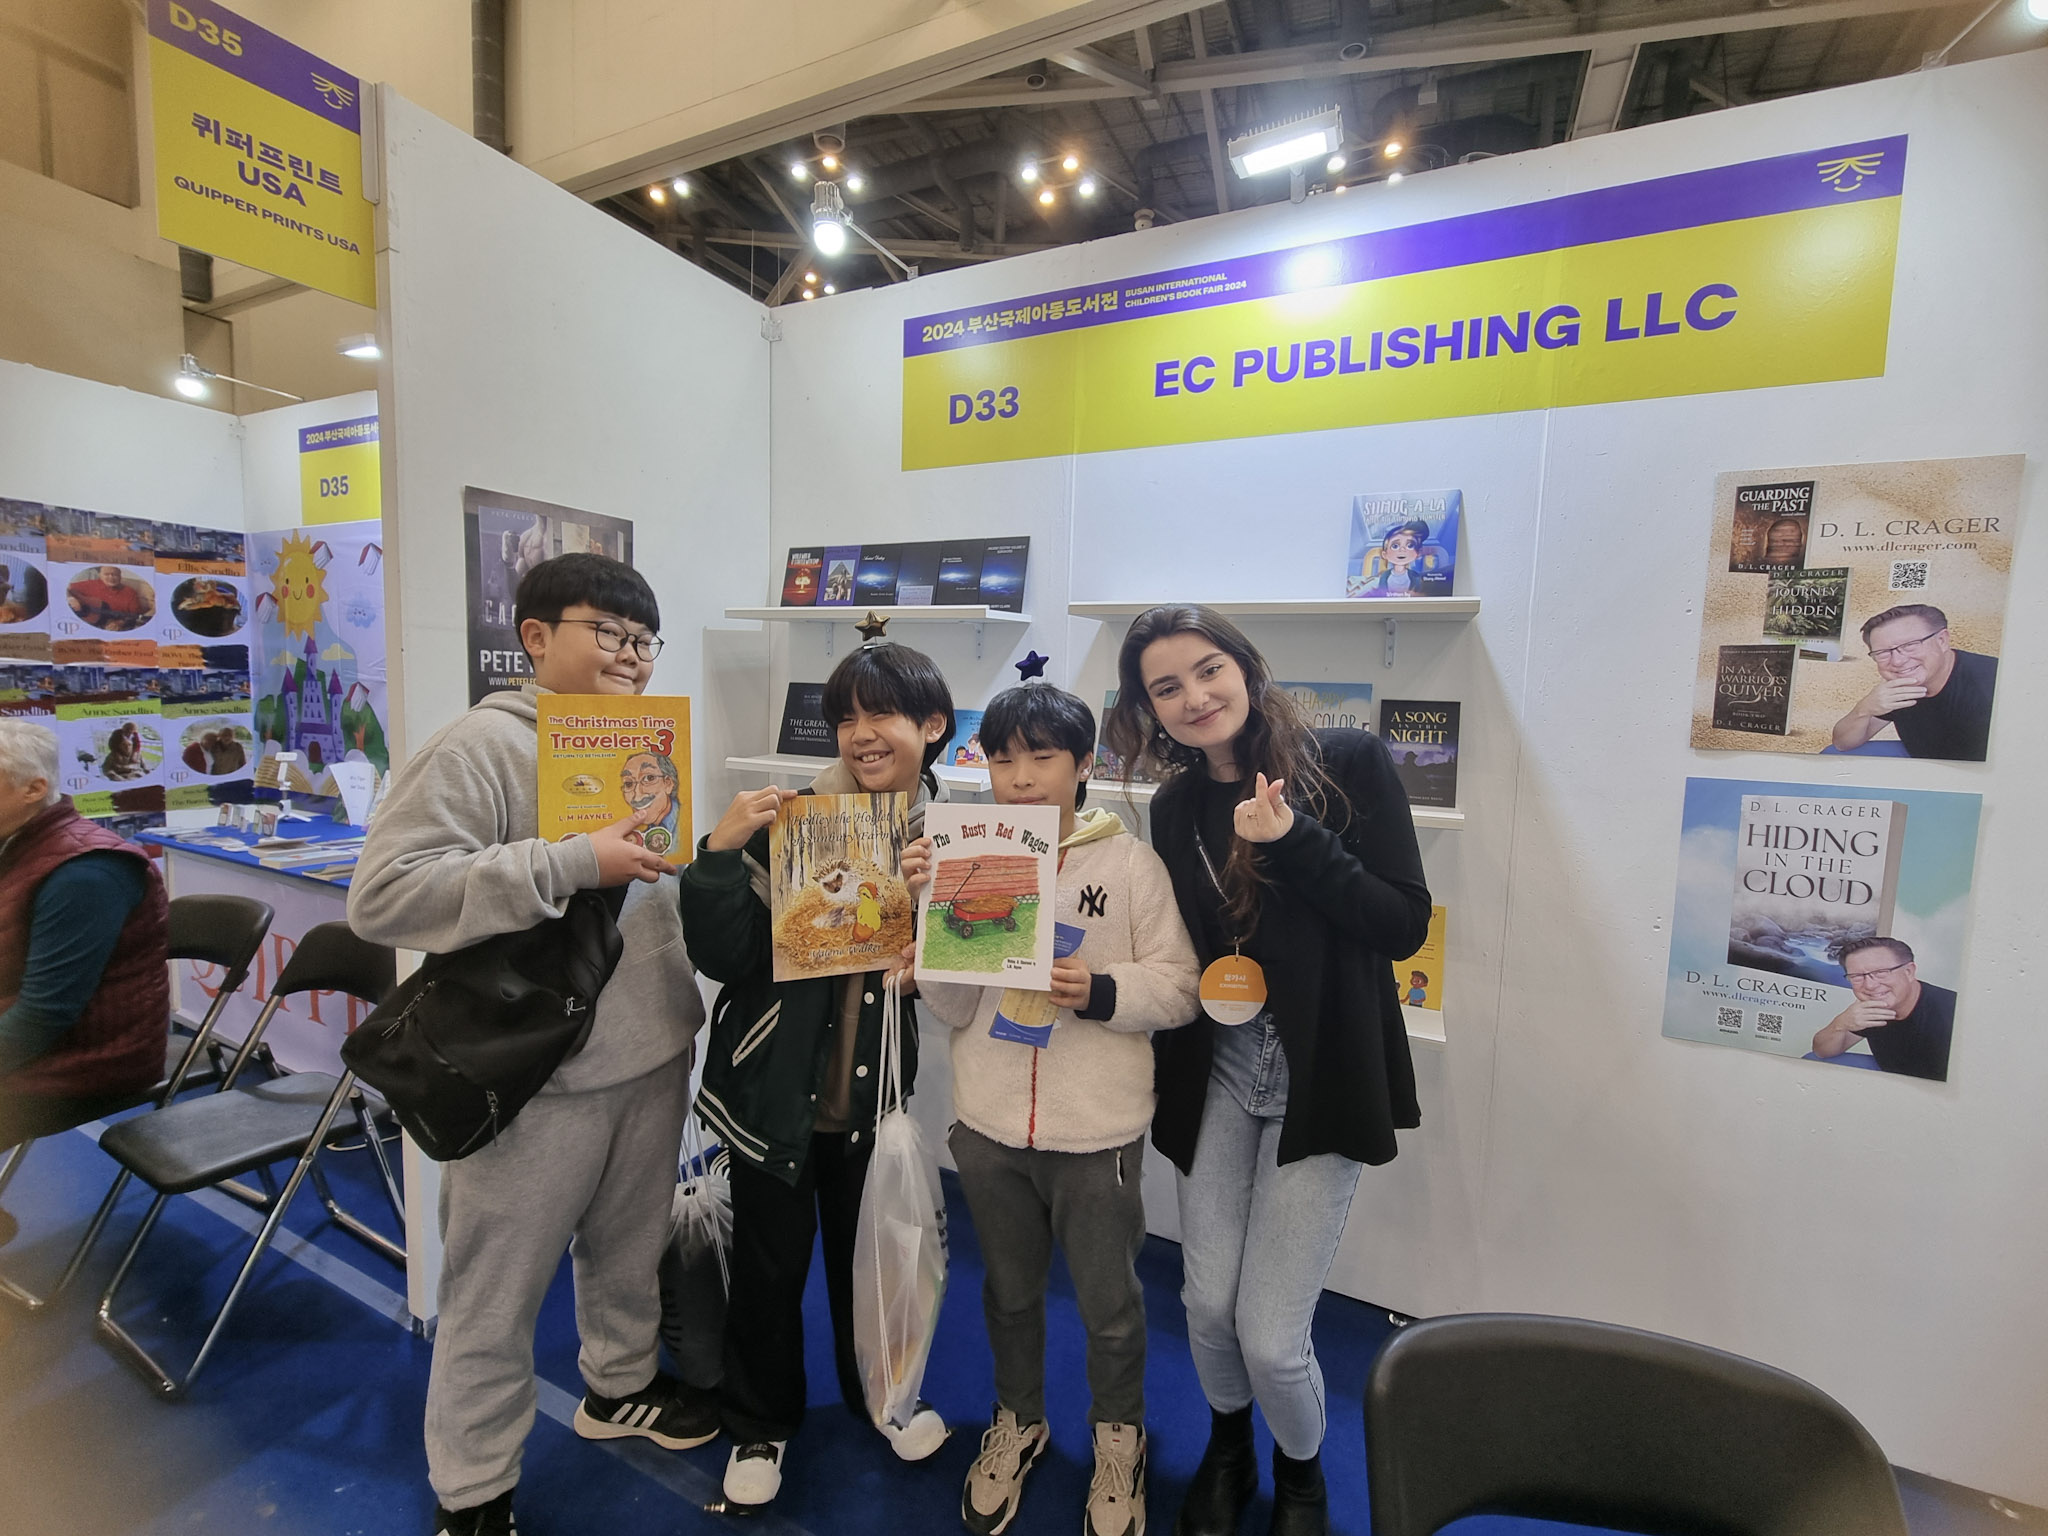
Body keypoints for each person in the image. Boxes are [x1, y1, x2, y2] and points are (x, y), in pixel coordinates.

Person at [348, 554, 708, 1536]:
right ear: (537, 638)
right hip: (531, 1078)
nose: (631, 656)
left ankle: (618, 1387)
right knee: (493, 1292)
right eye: (610, 633)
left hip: (651, 1051)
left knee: (629, 1253)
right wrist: (566, 861)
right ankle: (473, 1489)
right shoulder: (481, 745)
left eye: (644, 639)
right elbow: (384, 895)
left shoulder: (648, 740)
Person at [1104, 606, 1432, 1536]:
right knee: (1207, 1303)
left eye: (1208, 670)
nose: (1195, 697)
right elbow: (1180, 947)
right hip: (1219, 1061)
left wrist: (1291, 838)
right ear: (1149, 708)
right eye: (1167, 687)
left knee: (1273, 1337)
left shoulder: (1347, 762)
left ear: (1246, 667)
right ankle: (1229, 1445)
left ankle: (1300, 1474)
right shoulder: (1175, 807)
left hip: (1322, 1069)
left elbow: (1402, 924)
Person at [908, 683, 1199, 1536]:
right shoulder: (970, 853)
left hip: (1096, 1134)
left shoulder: (1131, 865)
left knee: (1111, 1307)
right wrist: (933, 913)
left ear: (1082, 765)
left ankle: (1119, 1437)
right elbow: (952, 1007)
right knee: (1007, 1295)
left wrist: (1101, 989)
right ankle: (1018, 1420)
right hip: (988, 1125)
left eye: (1042, 757)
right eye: (1003, 760)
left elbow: (1181, 987)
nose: (1023, 778)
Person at [680, 640, 955, 1512]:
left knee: (878, 1262)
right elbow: (722, 955)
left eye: (883, 714)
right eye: (846, 717)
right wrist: (718, 854)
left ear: (933, 725)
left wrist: (929, 929)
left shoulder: (954, 834)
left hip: (873, 1100)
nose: (861, 733)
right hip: (774, 1096)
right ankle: (759, 1423)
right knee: (767, 1272)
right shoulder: (795, 818)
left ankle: (886, 1397)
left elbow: (970, 966)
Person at [0, 719, 169, 1162]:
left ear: (33, 789)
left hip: (85, 1062)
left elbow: (44, 1014)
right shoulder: (15, 844)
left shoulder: (86, 872)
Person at [1830, 604, 1997, 761]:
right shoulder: (1900, 685)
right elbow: (1842, 744)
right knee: (1832, 755)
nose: (1897, 661)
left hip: (1974, 770)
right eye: (1882, 653)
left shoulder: (1992, 685)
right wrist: (1863, 709)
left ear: (1942, 640)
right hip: (1924, 758)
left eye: (1910, 645)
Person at [1810, 936, 1955, 1081]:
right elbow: (1821, 1051)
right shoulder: (1872, 1007)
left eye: (1881, 972)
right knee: (1812, 1060)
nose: (1870, 985)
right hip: (1893, 1076)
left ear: (1909, 972)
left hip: (1933, 1087)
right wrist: (1840, 1024)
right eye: (1857, 976)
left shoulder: (1950, 1013)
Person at [618, 748, 682, 856]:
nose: (637, 796)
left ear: (668, 784)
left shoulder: (686, 825)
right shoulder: (644, 835)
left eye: (649, 778)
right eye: (628, 783)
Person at [68, 565, 148, 631]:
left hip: (111, 626)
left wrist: (120, 623)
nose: (111, 577)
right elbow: (66, 588)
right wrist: (71, 598)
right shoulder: (90, 584)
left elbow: (135, 615)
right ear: (100, 576)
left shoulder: (130, 592)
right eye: (106, 574)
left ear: (120, 577)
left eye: (115, 575)